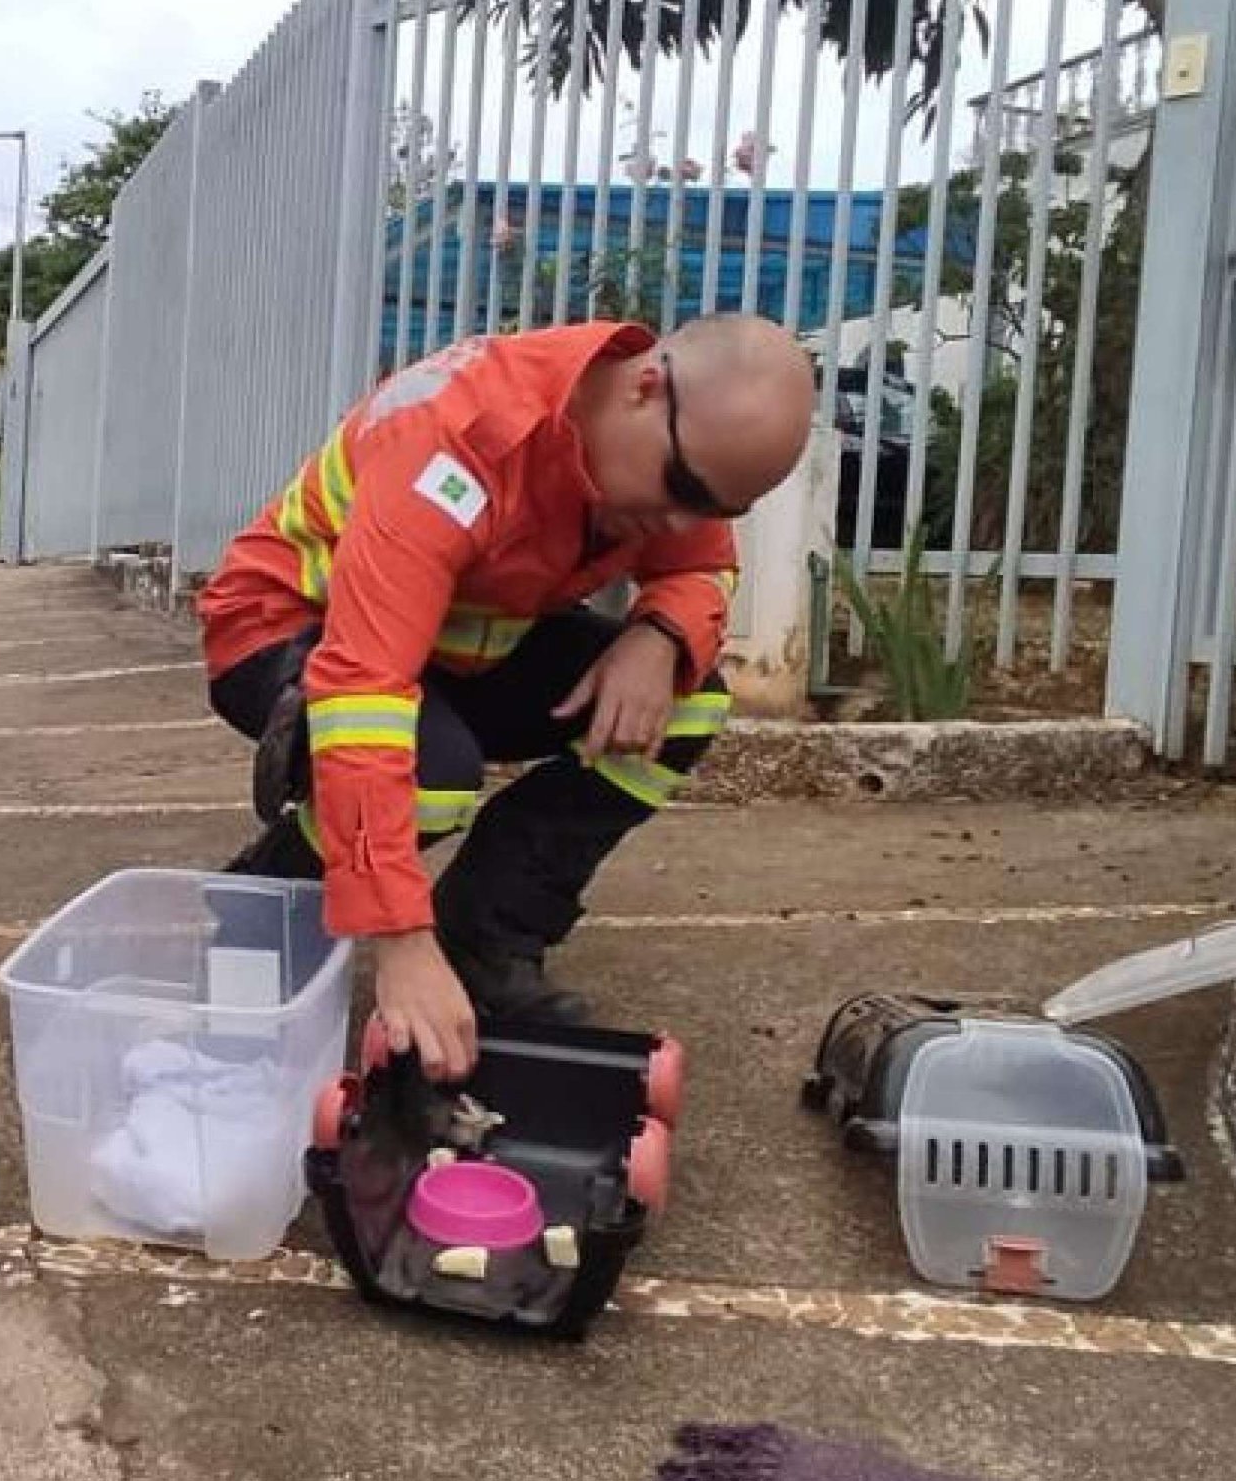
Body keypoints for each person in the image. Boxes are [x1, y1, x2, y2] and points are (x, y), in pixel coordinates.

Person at [202, 315, 817, 1081]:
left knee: (690, 700)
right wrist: (398, 937)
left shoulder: (662, 455)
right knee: (430, 771)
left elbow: (701, 567)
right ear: (643, 387)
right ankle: (264, 914)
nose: (684, 523)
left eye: (720, 509)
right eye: (685, 489)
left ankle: (488, 934)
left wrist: (659, 634)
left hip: (462, 643)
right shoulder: (457, 437)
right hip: (291, 624)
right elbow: (366, 688)